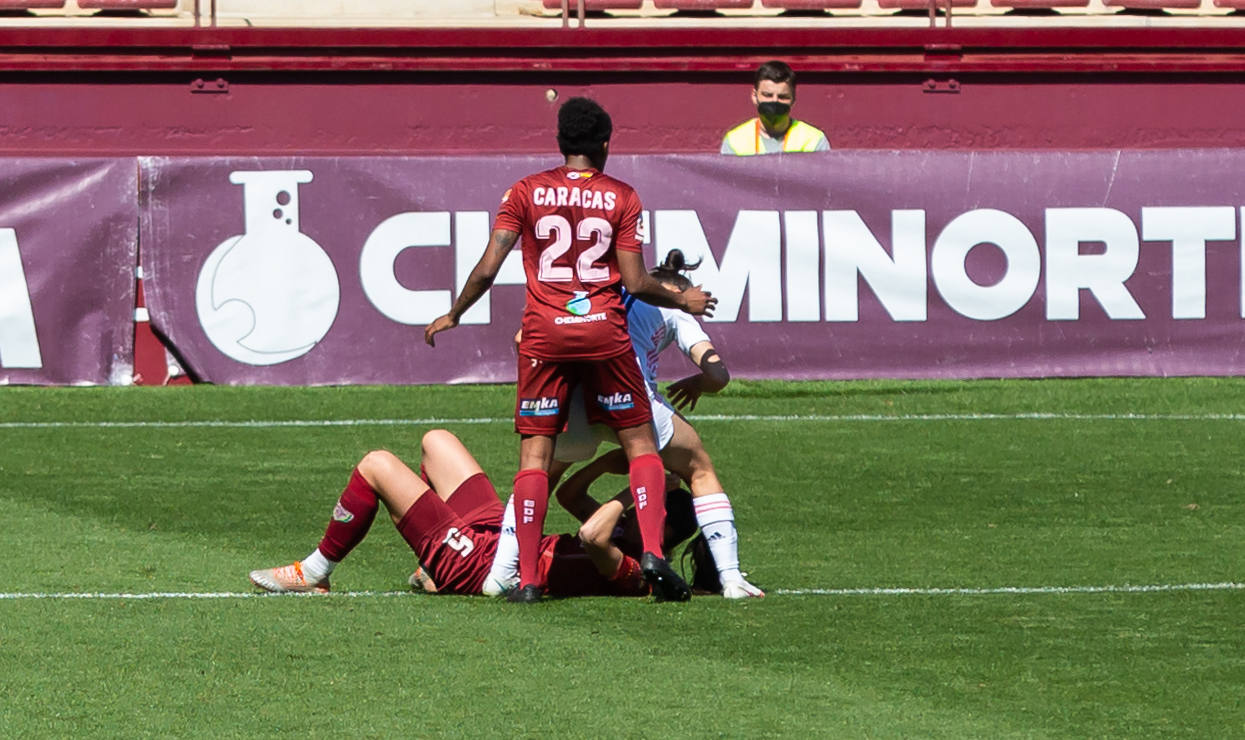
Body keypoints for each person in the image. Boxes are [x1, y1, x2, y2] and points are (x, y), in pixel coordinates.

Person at [423, 97, 716, 603]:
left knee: (535, 456)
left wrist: (455, 312)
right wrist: (681, 297)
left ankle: (529, 580)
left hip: (544, 336)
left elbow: (490, 265)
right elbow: (635, 280)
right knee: (641, 446)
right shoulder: (623, 195)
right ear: (606, 144)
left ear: (560, 142)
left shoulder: (524, 191)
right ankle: (653, 553)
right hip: (604, 332)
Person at [484, 250, 764, 599]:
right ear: (679, 290)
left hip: (574, 399)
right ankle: (731, 578)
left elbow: (523, 339)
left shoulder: (602, 291)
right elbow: (718, 374)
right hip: (630, 399)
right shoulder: (675, 309)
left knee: (539, 474)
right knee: (699, 468)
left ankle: (501, 574)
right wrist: (697, 383)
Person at [248, 429, 700, 598]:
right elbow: (568, 496)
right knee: (436, 441)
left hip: (480, 566)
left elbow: (590, 536)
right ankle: (431, 562)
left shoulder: (636, 574)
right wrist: (611, 464)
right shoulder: (623, 529)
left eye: (651, 506)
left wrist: (631, 492)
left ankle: (315, 571)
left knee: (376, 465)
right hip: (500, 538)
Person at [721, 60, 829, 156]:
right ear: (754, 96)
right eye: (768, 95)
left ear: (793, 100)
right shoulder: (735, 141)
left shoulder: (813, 140)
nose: (774, 101)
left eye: (783, 97)